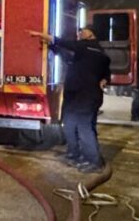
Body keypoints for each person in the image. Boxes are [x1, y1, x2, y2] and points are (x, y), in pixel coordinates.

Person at [28, 26, 112, 172]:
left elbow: (65, 44)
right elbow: (69, 58)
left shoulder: (87, 47)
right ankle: (74, 154)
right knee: (69, 125)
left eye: (82, 31)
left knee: (84, 128)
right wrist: (52, 47)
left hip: (85, 97)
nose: (79, 33)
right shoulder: (96, 54)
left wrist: (43, 36)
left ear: (91, 33)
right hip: (77, 96)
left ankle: (94, 161)